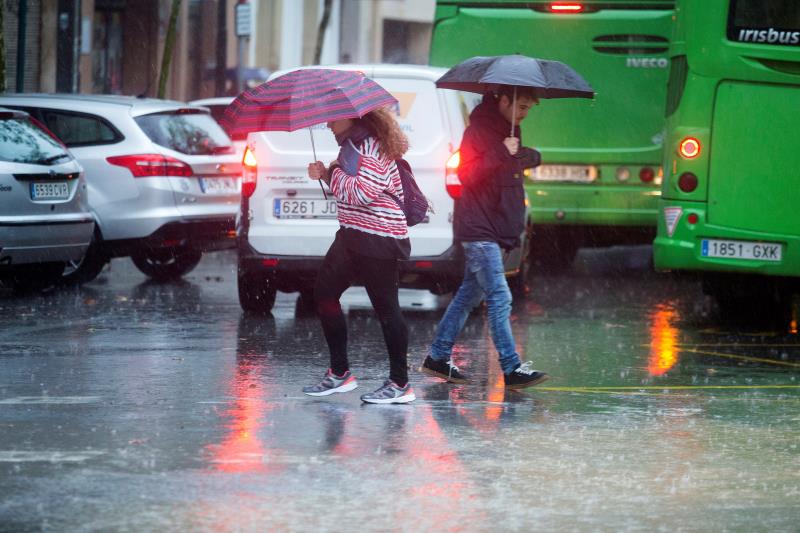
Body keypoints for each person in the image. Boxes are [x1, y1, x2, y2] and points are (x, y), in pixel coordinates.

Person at [421, 85, 550, 389]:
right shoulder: (477, 131)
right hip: (479, 227)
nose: (524, 113)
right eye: (521, 107)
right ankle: (511, 368)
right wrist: (501, 151)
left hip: (495, 226)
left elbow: (511, 168)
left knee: (468, 295)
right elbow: (468, 174)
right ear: (504, 100)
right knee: (499, 296)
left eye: (529, 109)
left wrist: (527, 154)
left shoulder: (511, 131)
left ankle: (437, 357)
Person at [302, 107, 416, 404]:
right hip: (352, 232)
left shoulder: (372, 146)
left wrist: (333, 172)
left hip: (379, 235)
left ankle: (400, 384)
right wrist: (327, 174)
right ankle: (340, 373)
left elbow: (362, 193)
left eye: (333, 117)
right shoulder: (352, 145)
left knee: (387, 309)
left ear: (353, 116)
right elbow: (350, 189)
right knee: (324, 293)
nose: (328, 122)